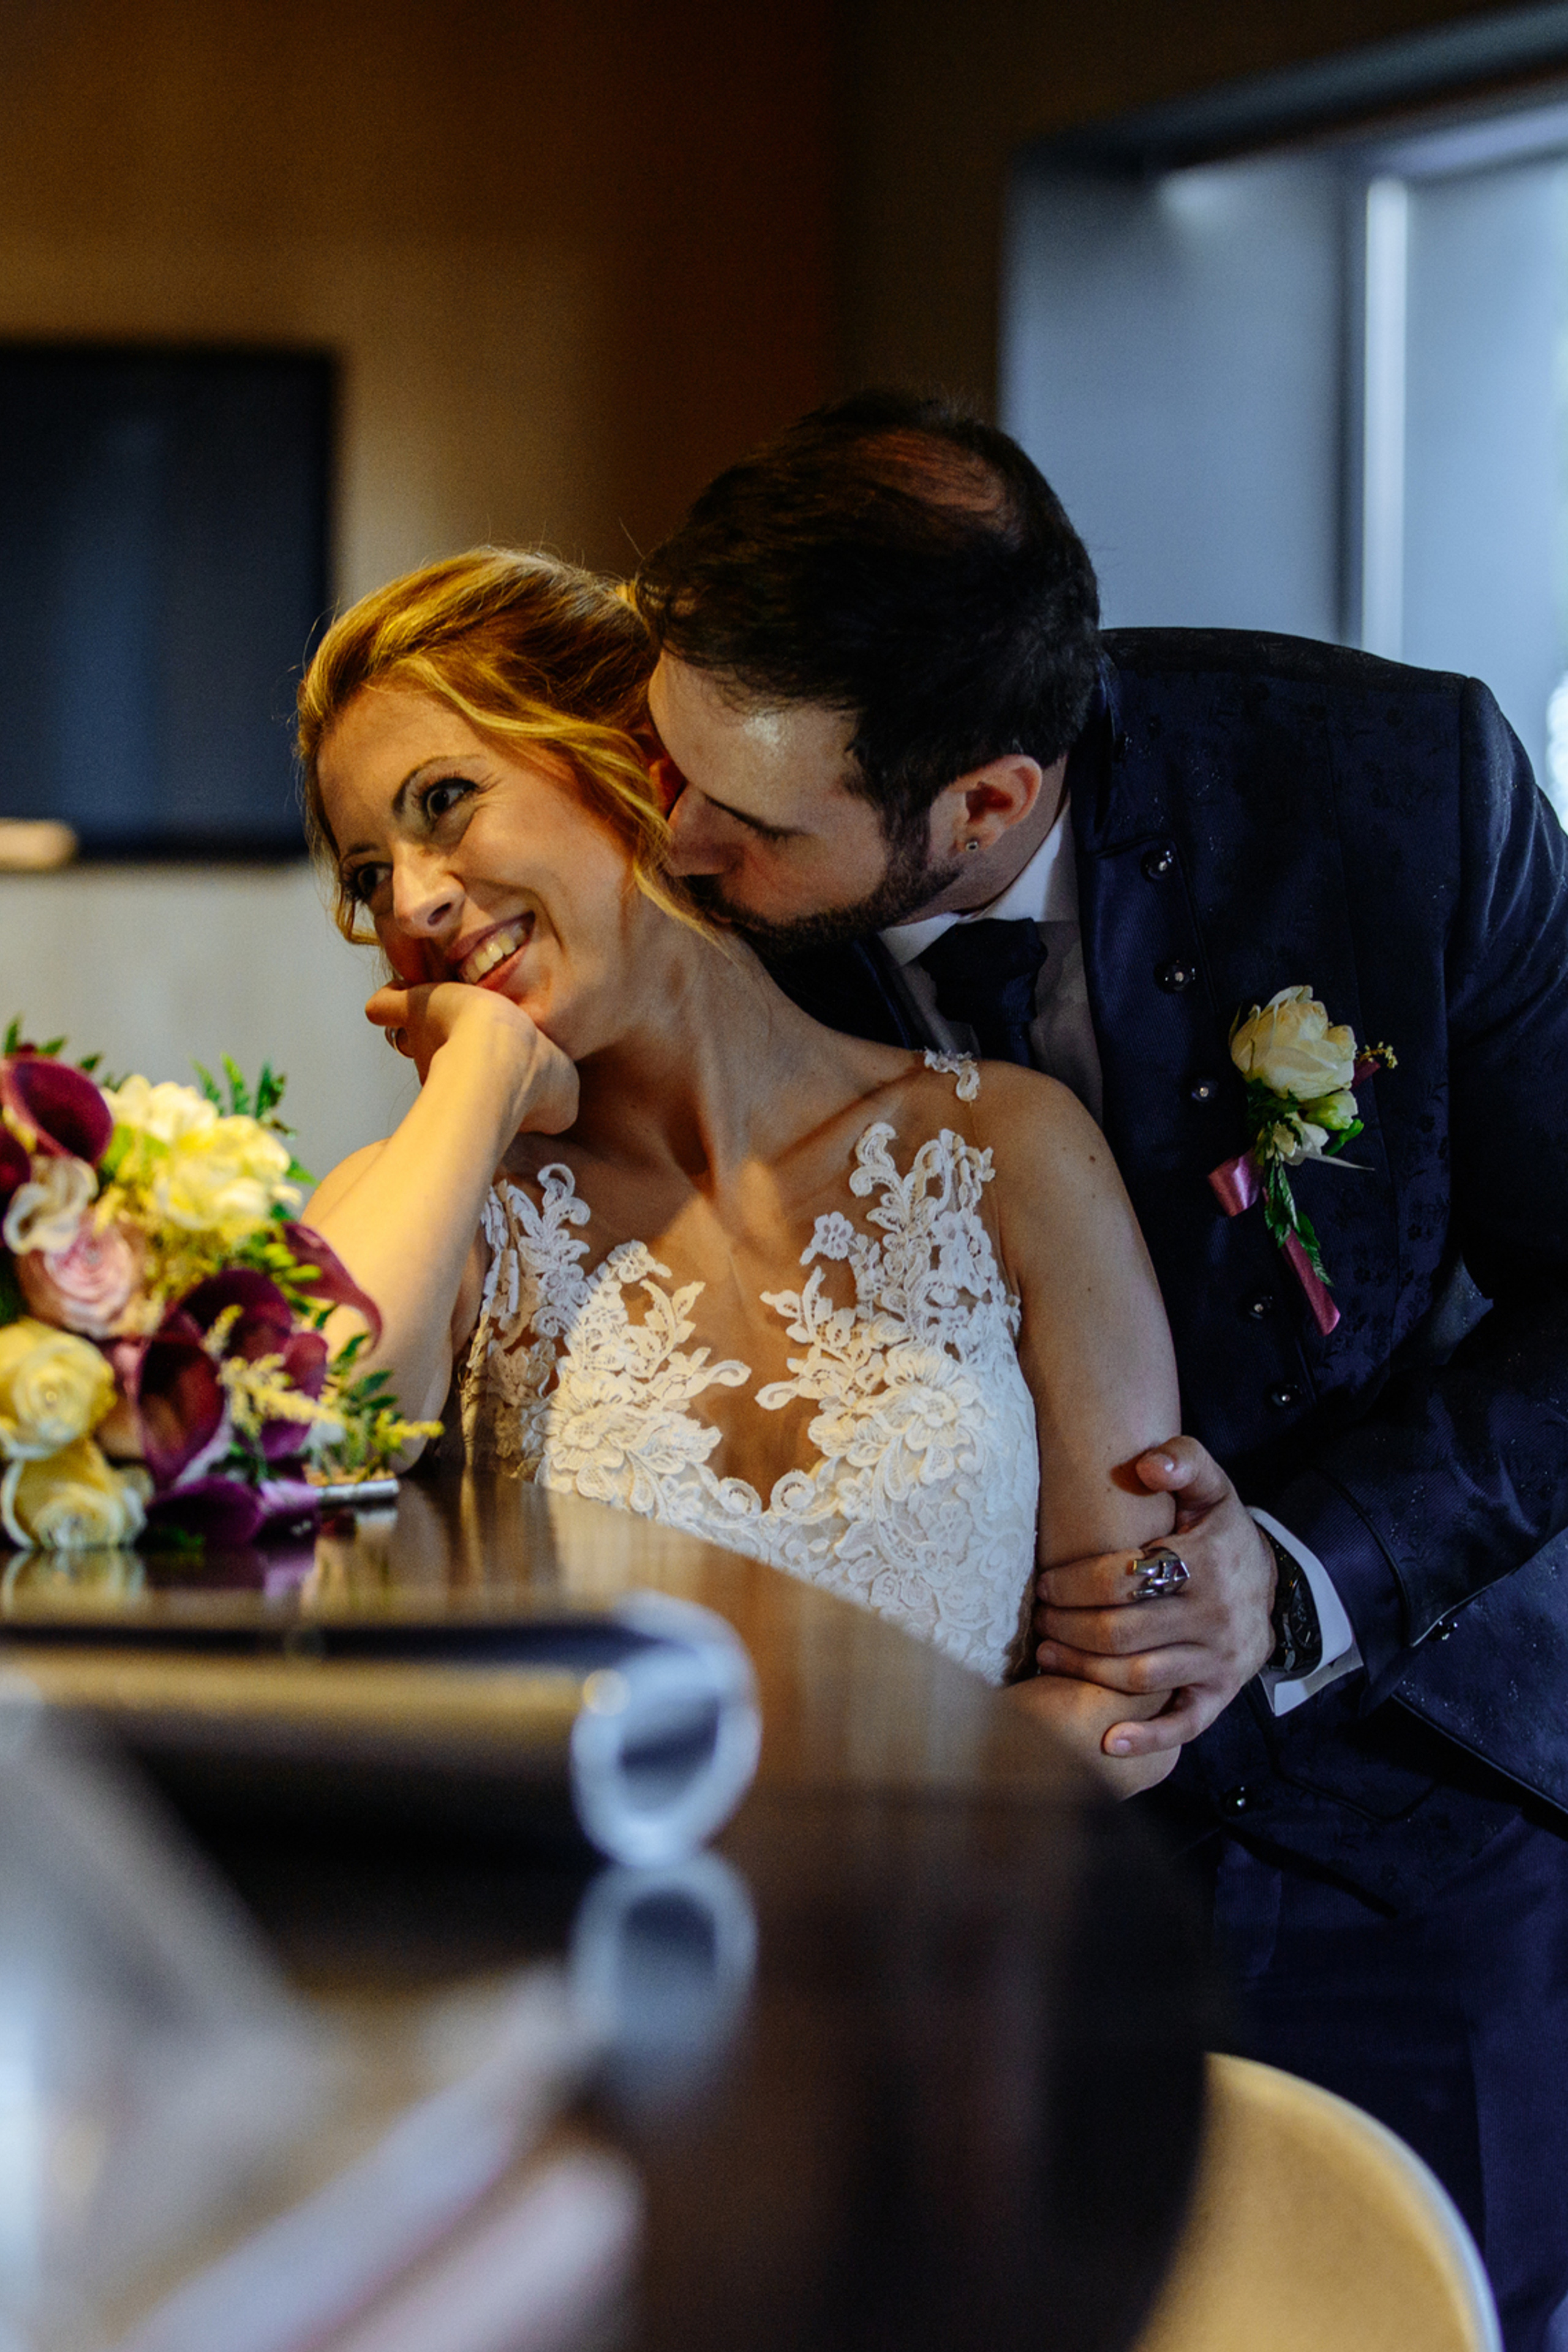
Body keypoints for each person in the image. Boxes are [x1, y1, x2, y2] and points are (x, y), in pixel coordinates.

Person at [631, 389, 1568, 2350]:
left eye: (754, 817)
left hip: (1401, 1815)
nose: (675, 840)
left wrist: (1301, 1580)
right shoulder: (696, 903)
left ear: (983, 803)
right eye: (669, 760)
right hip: (941, 1887)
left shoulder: (1400, 794)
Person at [292, 547, 1186, 1794]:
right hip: (600, 1959)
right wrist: (481, 1074)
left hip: (947, 1942)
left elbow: (1131, 1693)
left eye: (442, 803)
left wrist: (828, 1850)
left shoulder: (1006, 1153)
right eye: (367, 876)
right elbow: (305, 1438)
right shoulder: (436, 1217)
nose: (414, 904)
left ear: (627, 761)